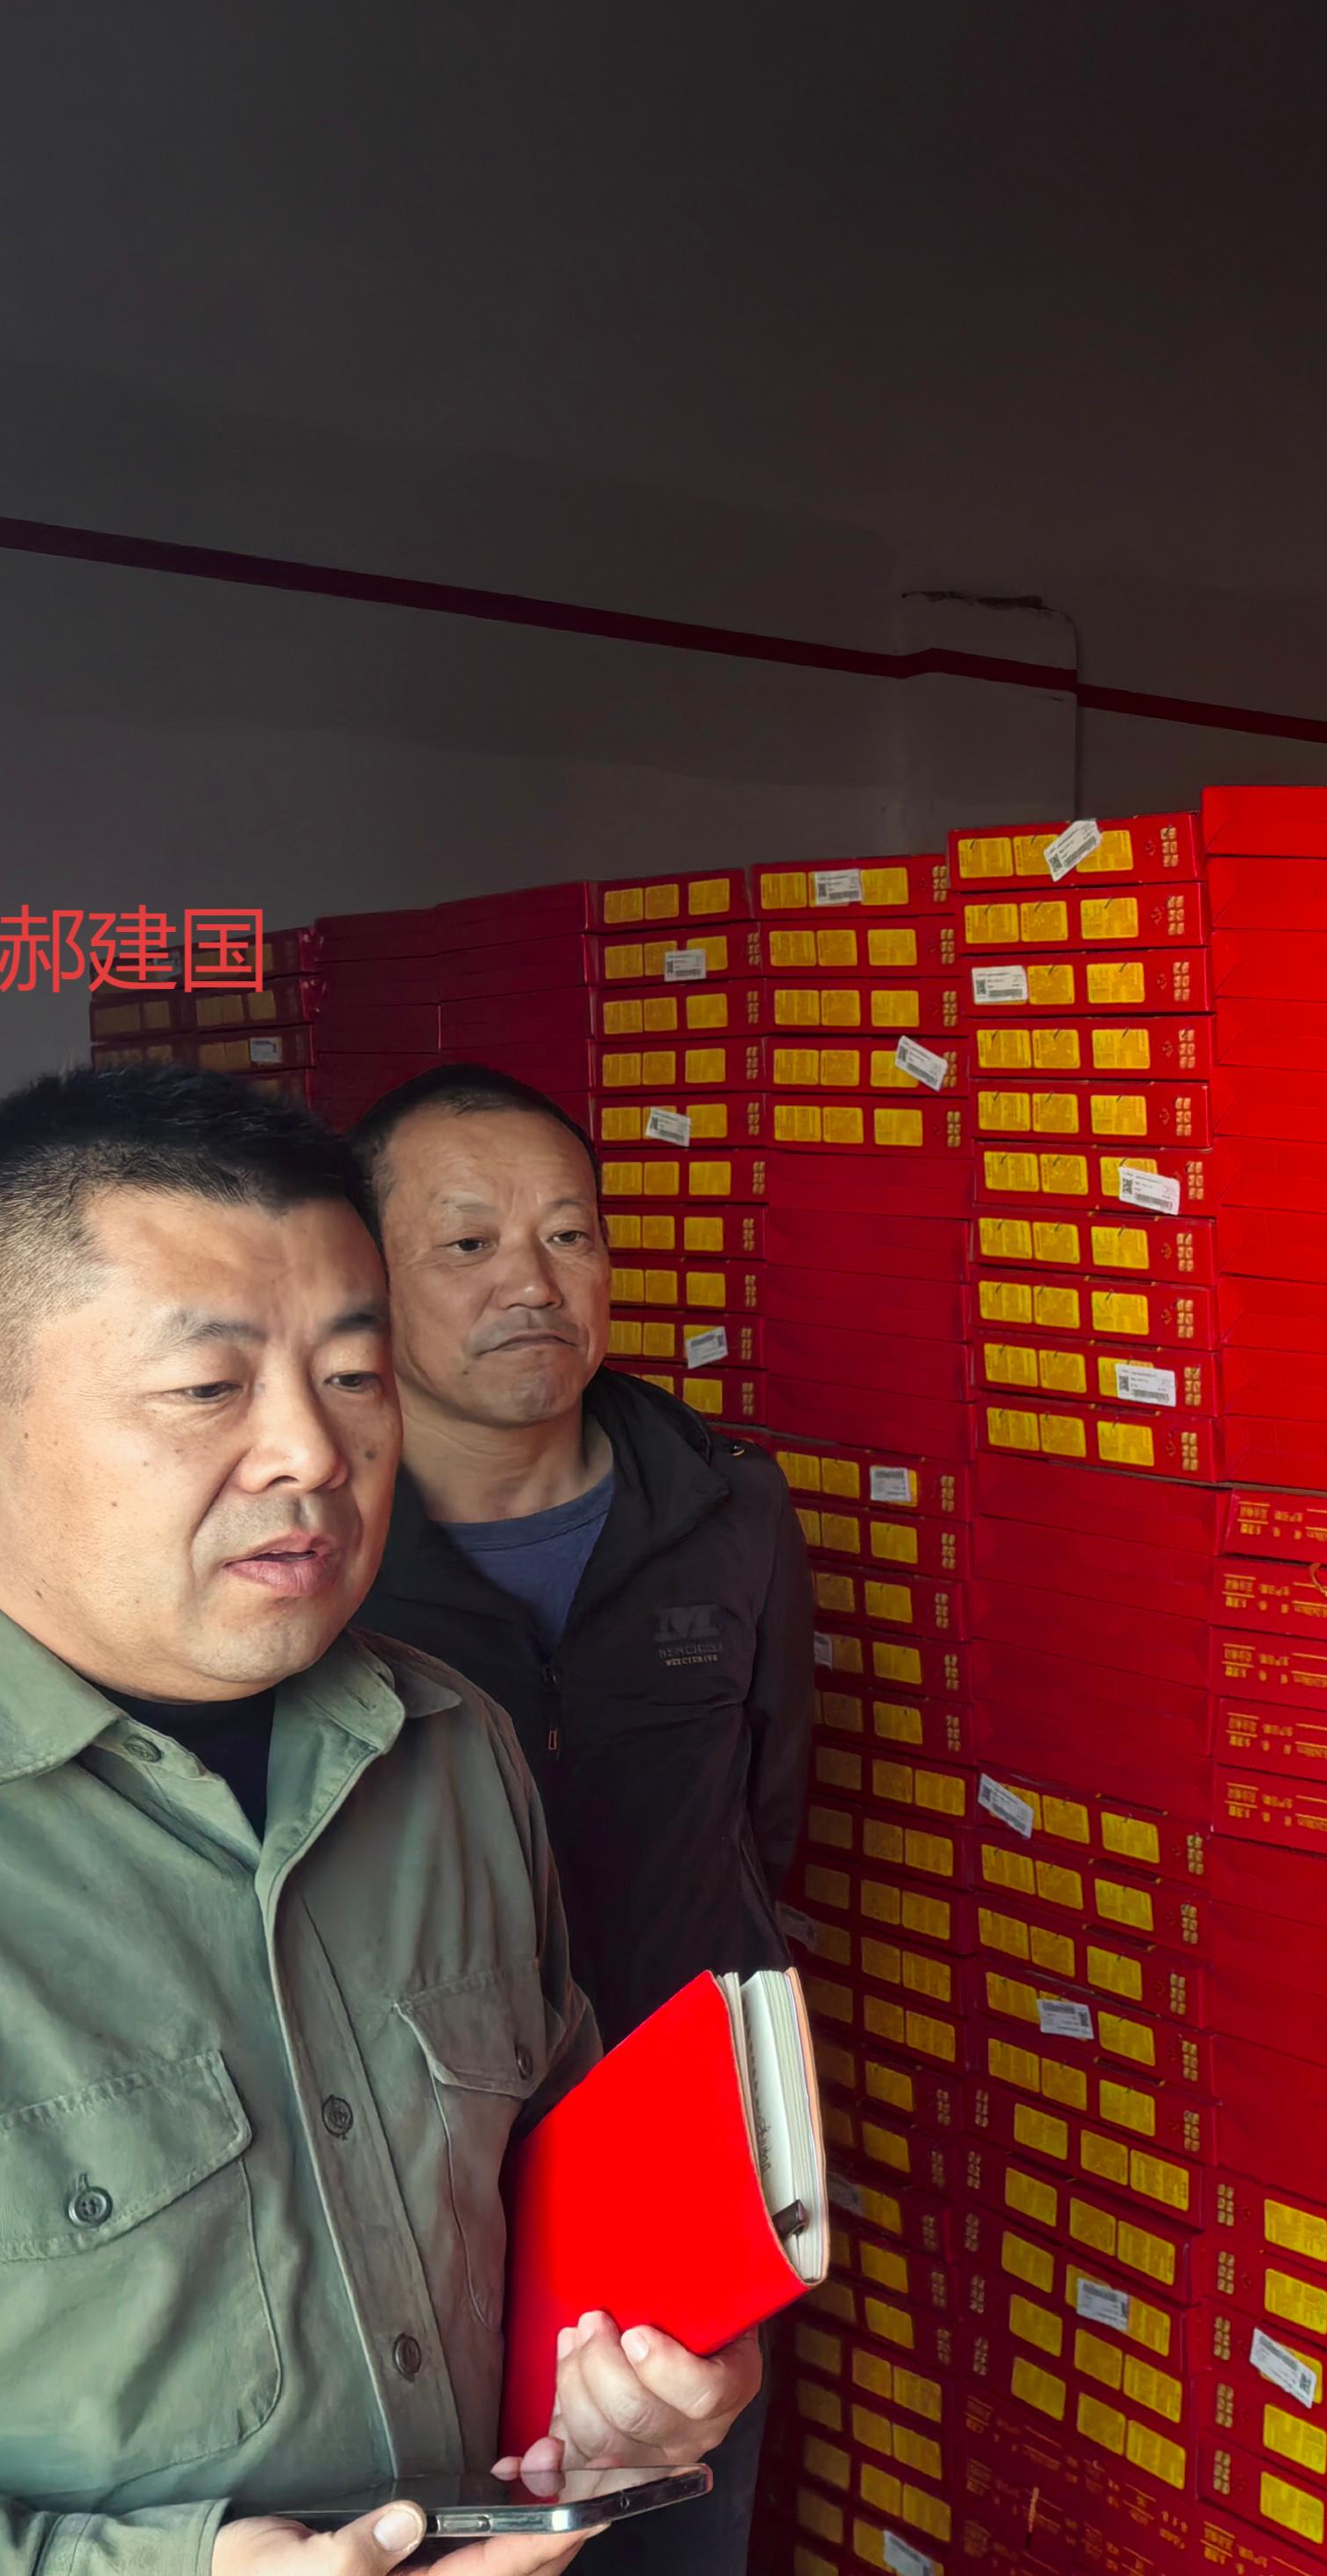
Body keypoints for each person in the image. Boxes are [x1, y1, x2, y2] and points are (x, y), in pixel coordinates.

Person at [0, 1062, 762, 2576]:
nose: (312, 1456)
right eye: (209, 1389)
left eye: (353, 1378)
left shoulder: (450, 1752)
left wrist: (623, 2394)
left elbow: (546, 2231)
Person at [345, 1062, 813, 2576]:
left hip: (681, 2175)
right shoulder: (315, 1549)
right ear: (368, 1280)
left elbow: (768, 1808)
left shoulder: (727, 1508)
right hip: (412, 2191)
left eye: (569, 1236)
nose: (532, 1284)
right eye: (467, 1244)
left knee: (677, 2530)